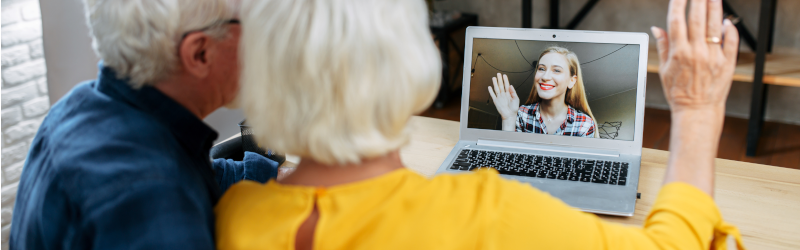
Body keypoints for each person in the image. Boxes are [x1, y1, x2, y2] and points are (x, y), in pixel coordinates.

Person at [215, 0, 744, 249]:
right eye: (541, 66)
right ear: (409, 61)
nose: (544, 74)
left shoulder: (236, 213)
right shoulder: (486, 217)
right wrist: (698, 111)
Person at [9, 0, 278, 249]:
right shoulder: (152, 200)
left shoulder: (80, 105)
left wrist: (279, 177)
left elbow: (197, 173)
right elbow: (164, 182)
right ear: (200, 53)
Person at [488, 47, 598, 137]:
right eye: (541, 69)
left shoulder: (584, 124)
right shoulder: (521, 115)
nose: (545, 77)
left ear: (572, 81)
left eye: (556, 70)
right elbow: (510, 160)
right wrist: (508, 119)